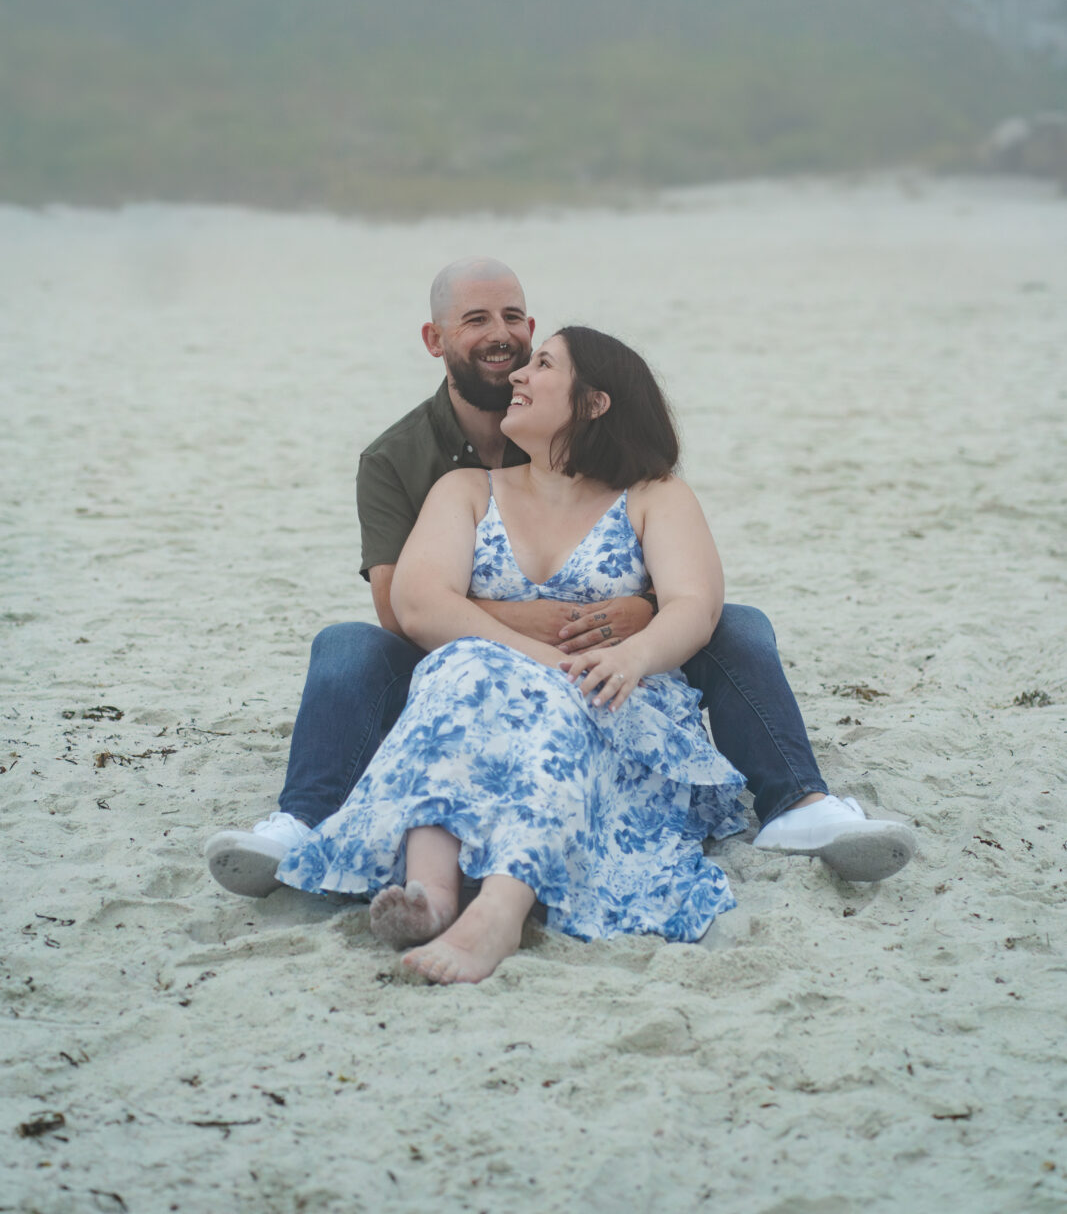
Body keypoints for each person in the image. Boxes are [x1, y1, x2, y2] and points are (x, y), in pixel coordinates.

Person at [205, 258, 916, 899]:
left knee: (736, 624)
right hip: (457, 678)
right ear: (435, 340)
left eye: (516, 324)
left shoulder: (648, 490)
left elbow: (690, 599)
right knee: (347, 644)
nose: (506, 346)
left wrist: (639, 624)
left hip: (611, 682)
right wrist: (540, 635)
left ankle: (798, 802)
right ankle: (300, 821)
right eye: (477, 319)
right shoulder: (414, 465)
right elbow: (407, 607)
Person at [278, 325, 749, 982]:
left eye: (543, 364)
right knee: (458, 665)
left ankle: (499, 910)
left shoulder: (653, 495)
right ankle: (429, 893)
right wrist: (536, 658)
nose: (518, 377)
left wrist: (634, 657)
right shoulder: (467, 490)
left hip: (610, 698)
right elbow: (420, 605)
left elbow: (693, 604)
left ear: (594, 402)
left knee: (555, 694)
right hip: (489, 699)